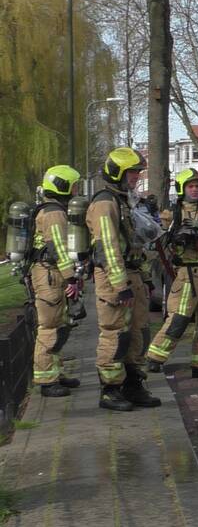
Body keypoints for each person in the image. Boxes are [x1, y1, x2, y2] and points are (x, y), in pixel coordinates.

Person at [86, 147, 161, 411]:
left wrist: (143, 277)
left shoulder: (123, 200)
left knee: (139, 332)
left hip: (132, 276)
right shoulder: (106, 203)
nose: (136, 177)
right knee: (115, 334)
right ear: (117, 172)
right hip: (114, 279)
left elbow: (133, 245)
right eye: (132, 172)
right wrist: (120, 286)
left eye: (138, 172)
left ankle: (134, 384)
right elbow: (107, 247)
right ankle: (110, 389)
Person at [146, 168, 198, 378]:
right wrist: (151, 216)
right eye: (191, 186)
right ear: (182, 189)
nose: (195, 190)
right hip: (186, 274)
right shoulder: (172, 213)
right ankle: (154, 358)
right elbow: (153, 232)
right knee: (178, 319)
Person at [28, 165, 84, 397]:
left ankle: (54, 372)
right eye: (73, 186)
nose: (76, 190)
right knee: (50, 327)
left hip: (51, 273)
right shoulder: (54, 213)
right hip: (50, 274)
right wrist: (71, 277)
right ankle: (46, 381)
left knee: (60, 325)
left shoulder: (52, 210)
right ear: (62, 187)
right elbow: (58, 248)